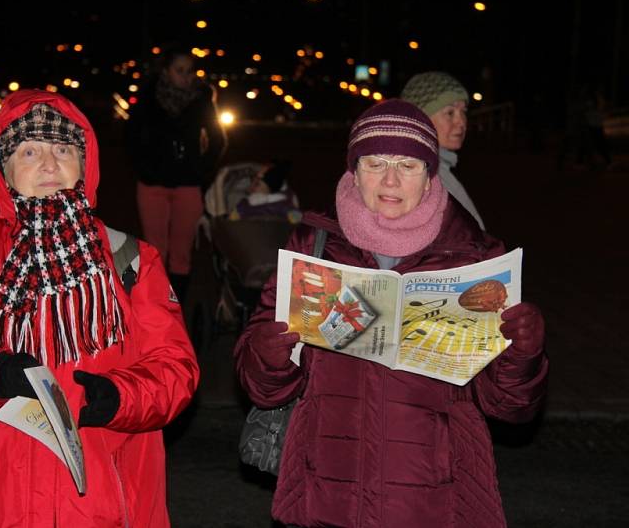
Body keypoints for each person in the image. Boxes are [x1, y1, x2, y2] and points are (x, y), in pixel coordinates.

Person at [0, 89, 199, 527]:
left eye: (64, 149)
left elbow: (176, 370)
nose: (50, 164)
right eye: (30, 150)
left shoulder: (131, 258)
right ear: (3, 168)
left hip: (103, 505)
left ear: (85, 164)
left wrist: (121, 397)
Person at [233, 99, 548, 528]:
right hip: (327, 487)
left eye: (409, 165)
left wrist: (522, 355)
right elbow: (261, 386)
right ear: (353, 169)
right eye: (375, 162)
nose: (391, 179)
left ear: (430, 172)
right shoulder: (313, 245)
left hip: (435, 495)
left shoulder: (476, 257)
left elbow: (510, 408)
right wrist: (266, 351)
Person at [126, 44, 227, 304]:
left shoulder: (201, 99)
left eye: (190, 71)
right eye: (179, 70)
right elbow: (132, 139)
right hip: (153, 184)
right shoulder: (148, 97)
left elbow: (217, 140)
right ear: (166, 71)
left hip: (188, 184)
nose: (186, 76)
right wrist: (145, 169)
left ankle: (176, 306)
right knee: (155, 250)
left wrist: (201, 171)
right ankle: (157, 305)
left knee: (182, 254)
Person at [401, 71, 486, 229]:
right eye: (450, 112)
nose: (461, 122)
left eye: (464, 111)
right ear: (421, 119)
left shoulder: (439, 170)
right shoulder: (423, 179)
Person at [229, 160, 302, 223]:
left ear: (270, 190)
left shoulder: (282, 206)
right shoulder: (244, 203)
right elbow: (230, 221)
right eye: (253, 181)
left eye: (257, 184)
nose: (250, 188)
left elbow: (298, 219)